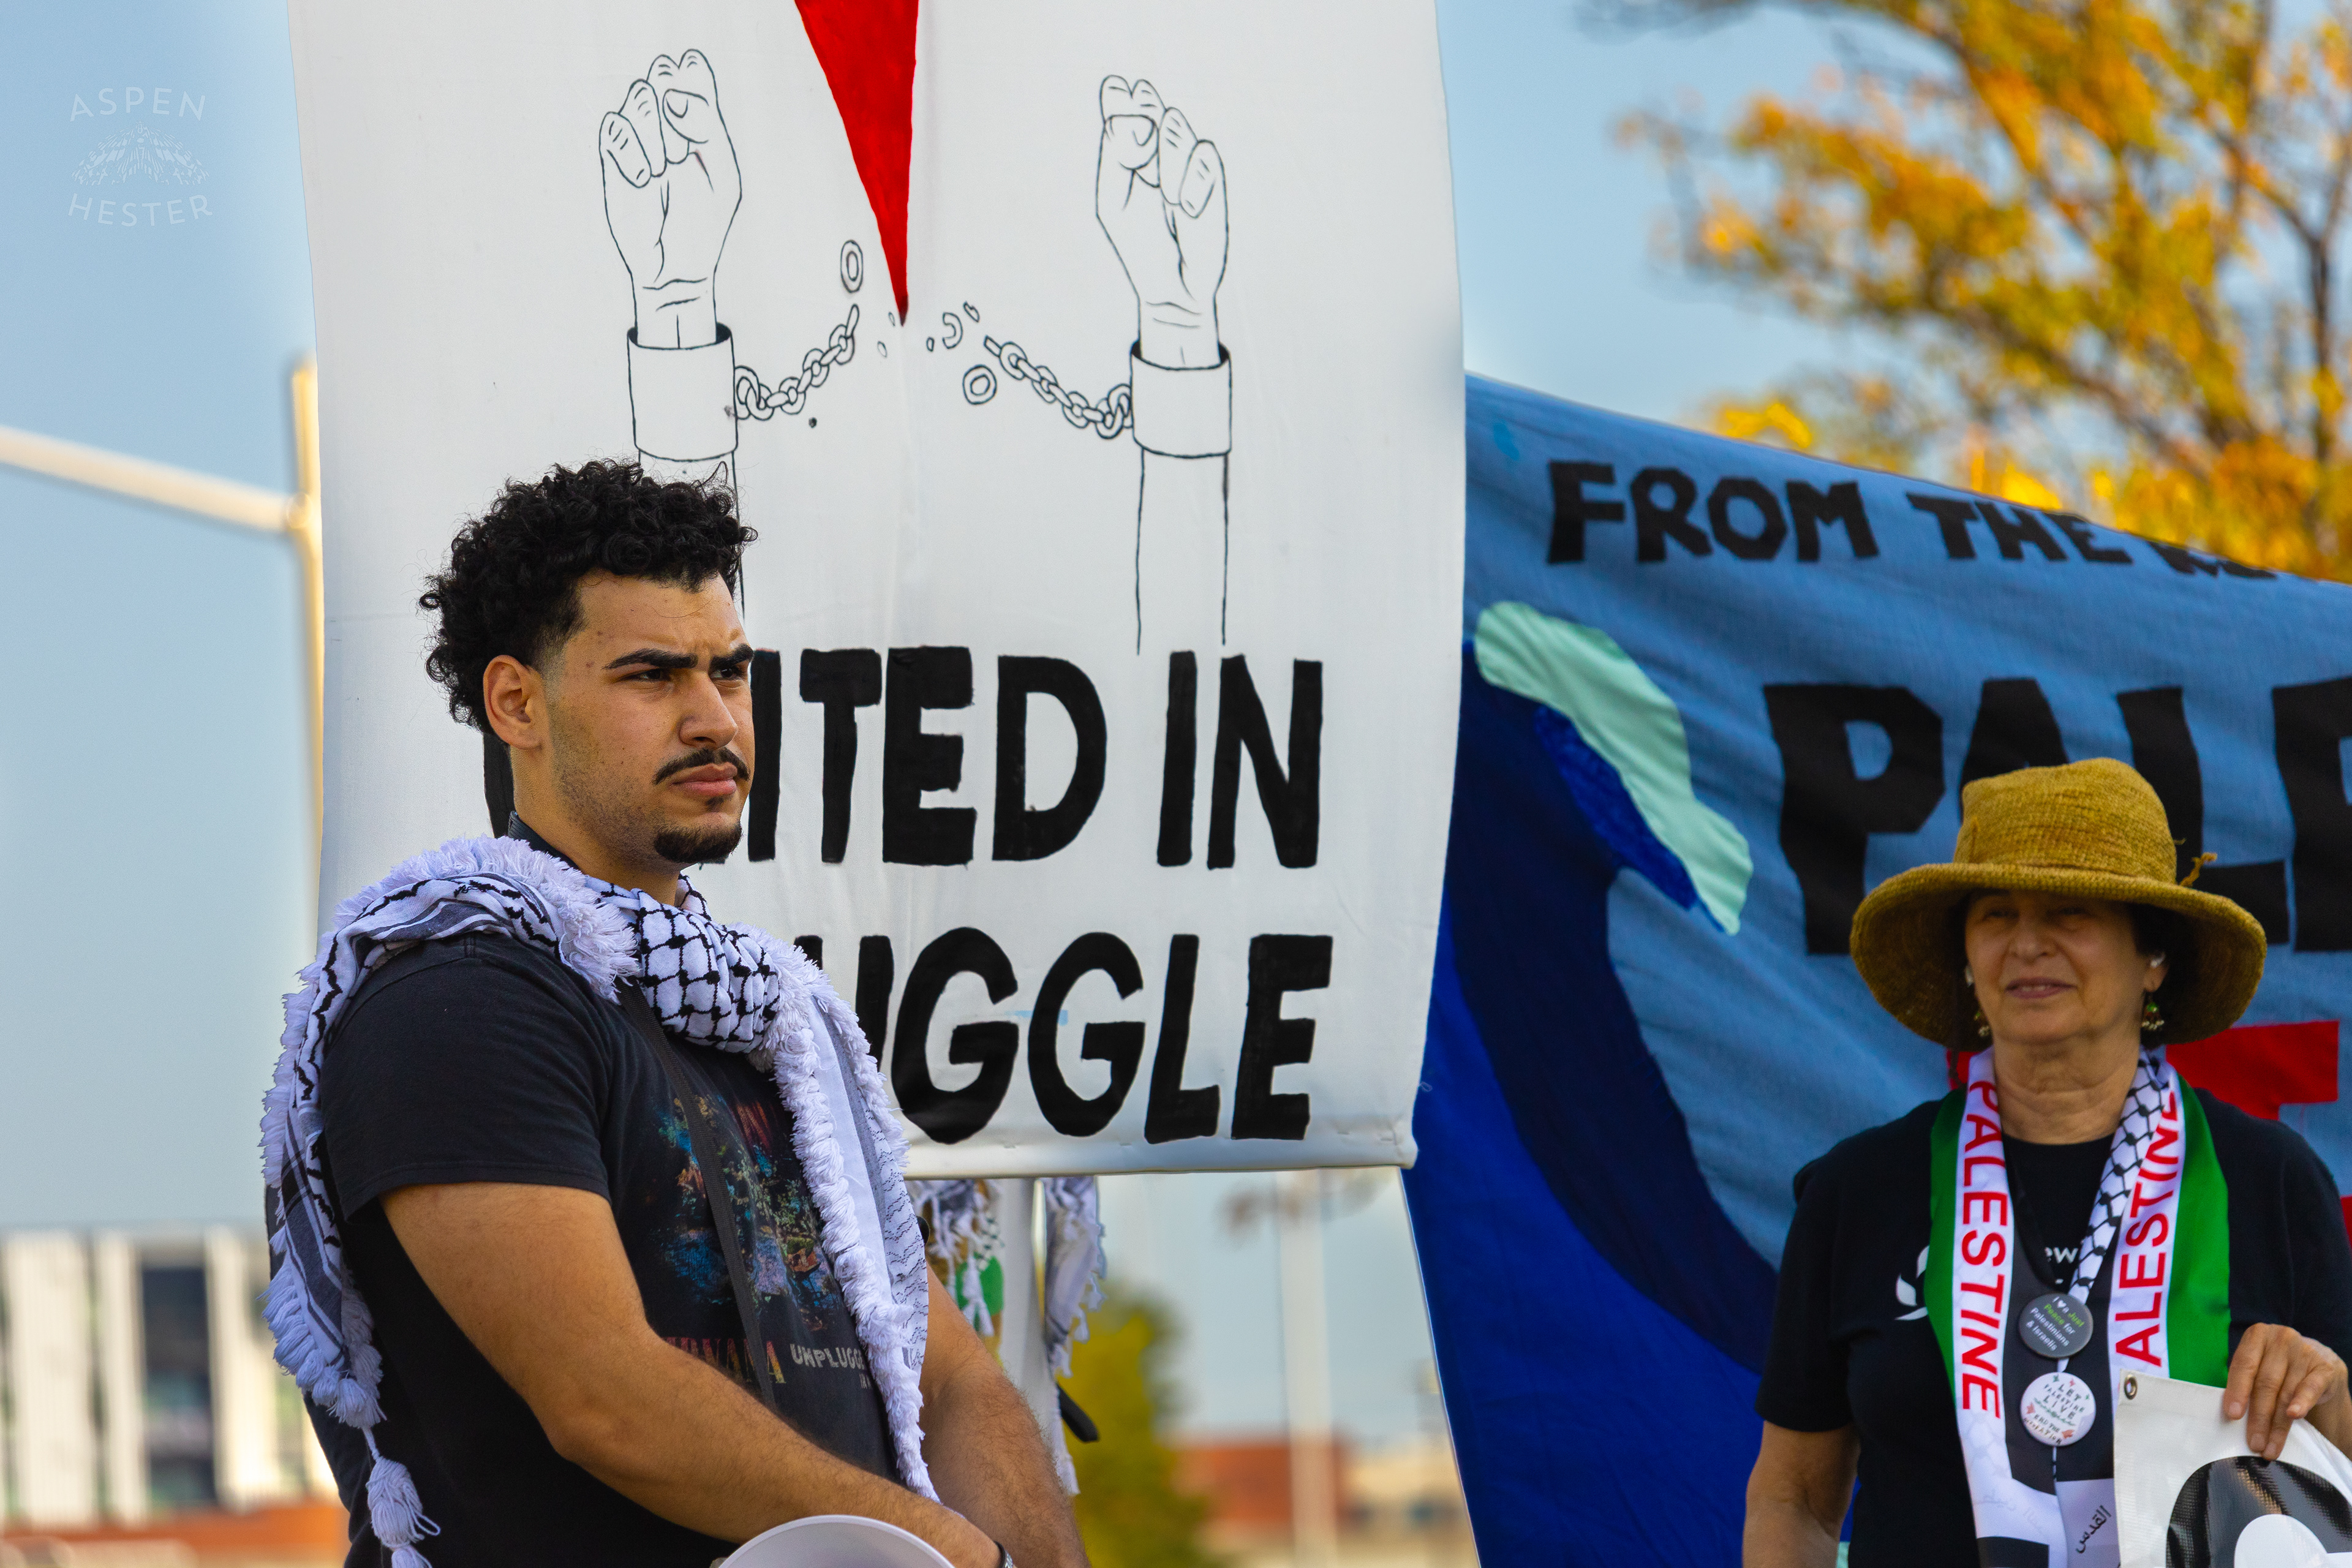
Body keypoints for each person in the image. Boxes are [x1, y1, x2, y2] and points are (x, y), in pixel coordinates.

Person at [260, 462, 1087, 1568]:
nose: (714, 719)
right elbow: (605, 1399)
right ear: (516, 703)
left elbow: (950, 1381)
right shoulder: (457, 995)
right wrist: (951, 1552)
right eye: (652, 675)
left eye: (731, 672)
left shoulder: (769, 1015)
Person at [1746, 757, 2352, 1568]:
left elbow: (2337, 1487)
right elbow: (1794, 1500)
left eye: (2071, 912)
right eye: (1997, 915)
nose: (2028, 945)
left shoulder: (2268, 1179)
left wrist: (2329, 1396)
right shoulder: (1862, 1188)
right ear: (1968, 958)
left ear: (2154, 956)